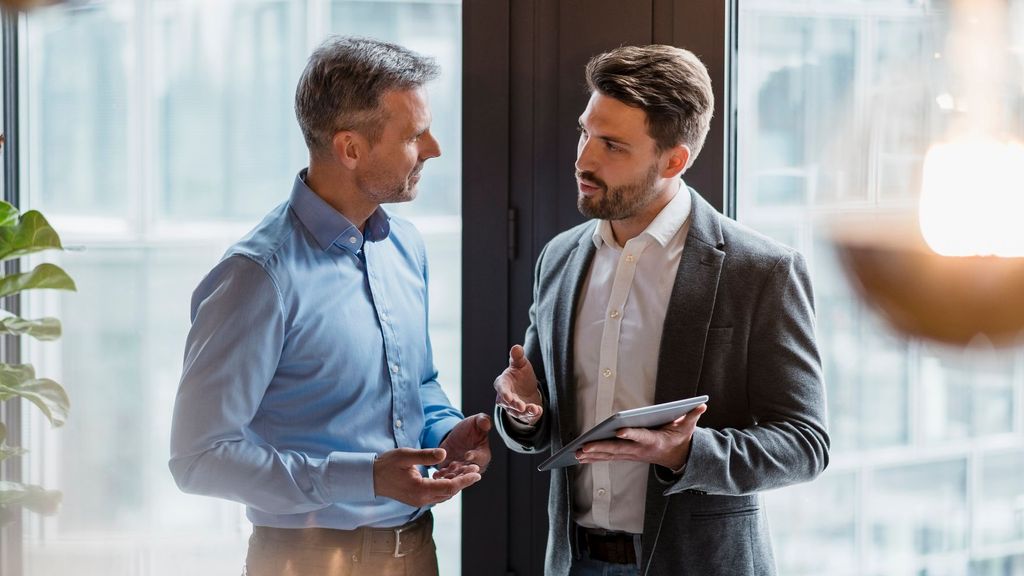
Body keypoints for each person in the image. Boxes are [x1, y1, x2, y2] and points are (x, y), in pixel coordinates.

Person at [493, 44, 829, 576]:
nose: (583, 159)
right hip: (571, 560)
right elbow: (538, 420)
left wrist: (684, 452)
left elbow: (805, 444)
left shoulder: (762, 270)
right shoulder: (558, 256)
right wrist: (524, 412)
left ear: (674, 160)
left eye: (612, 145)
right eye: (585, 132)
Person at [169, 36, 490, 576]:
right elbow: (198, 459)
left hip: (415, 548)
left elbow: (420, 380)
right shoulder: (257, 276)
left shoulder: (404, 246)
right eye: (414, 135)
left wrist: (443, 433)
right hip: (305, 560)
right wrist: (364, 476)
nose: (433, 148)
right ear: (350, 149)